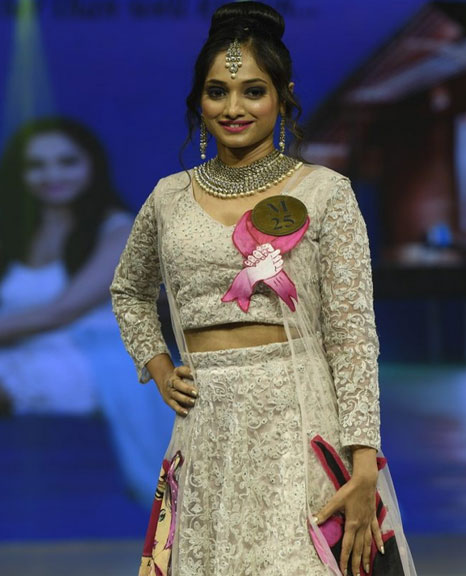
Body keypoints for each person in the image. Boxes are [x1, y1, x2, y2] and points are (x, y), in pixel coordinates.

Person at [110, 3, 417, 575]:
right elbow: (128, 290)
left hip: (299, 423)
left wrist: (363, 463)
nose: (233, 108)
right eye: (217, 92)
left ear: (283, 96)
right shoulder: (169, 197)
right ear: (198, 101)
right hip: (206, 428)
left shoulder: (325, 193)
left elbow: (352, 334)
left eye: (253, 91)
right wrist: (158, 366)